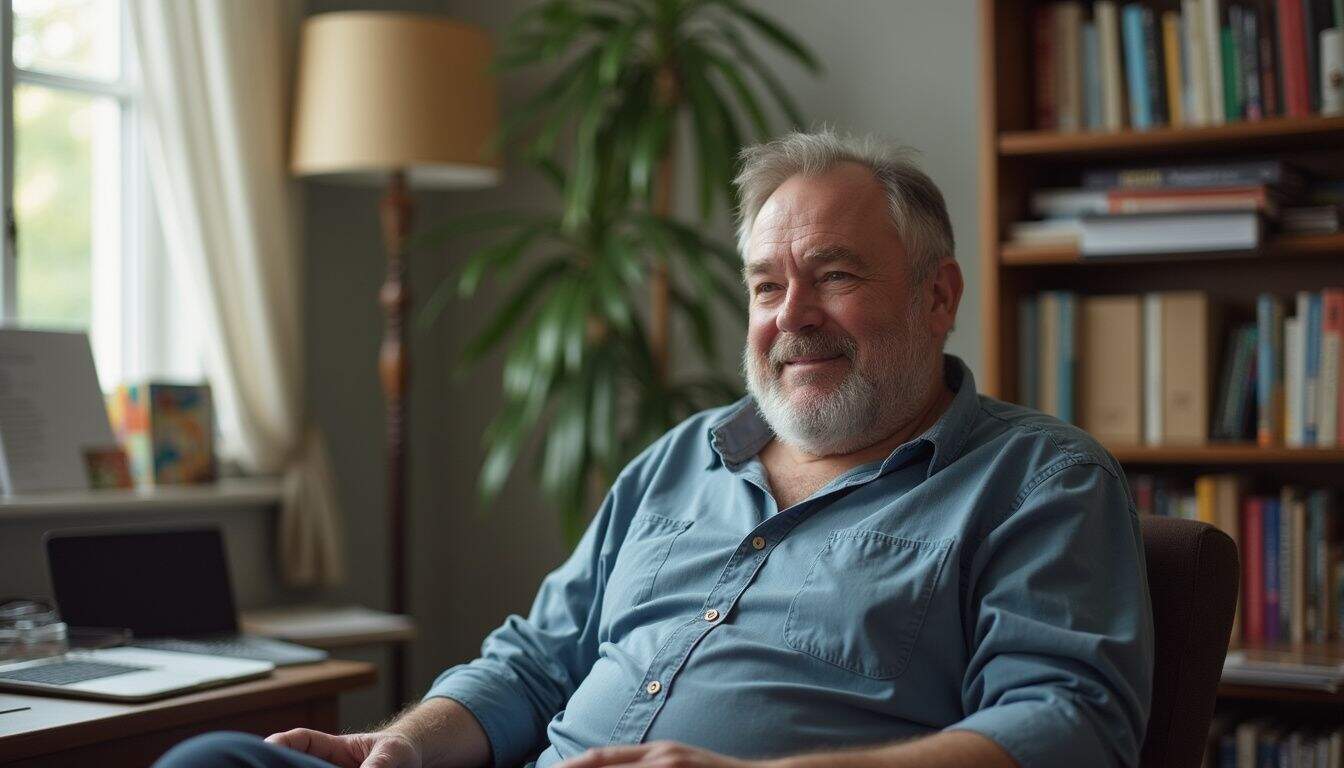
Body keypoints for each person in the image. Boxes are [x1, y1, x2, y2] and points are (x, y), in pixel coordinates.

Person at [155, 130, 1153, 768]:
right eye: (766, 286)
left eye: (835, 275)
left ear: (939, 297)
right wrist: (404, 746)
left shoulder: (1040, 481)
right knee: (216, 761)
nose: (792, 318)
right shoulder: (682, 459)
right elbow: (538, 661)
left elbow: (1068, 726)